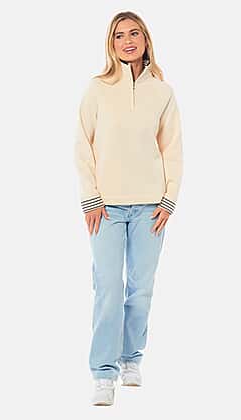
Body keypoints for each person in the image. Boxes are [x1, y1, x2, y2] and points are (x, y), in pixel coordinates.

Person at [74, 11, 183, 406]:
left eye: (134, 33)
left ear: (145, 39)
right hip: (105, 208)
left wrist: (169, 199)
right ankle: (103, 373)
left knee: (141, 289)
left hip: (150, 208)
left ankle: (130, 358)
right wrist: (90, 196)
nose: (127, 41)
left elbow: (172, 149)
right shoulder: (98, 88)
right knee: (108, 288)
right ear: (111, 43)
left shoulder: (162, 91)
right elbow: (82, 144)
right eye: (119, 35)